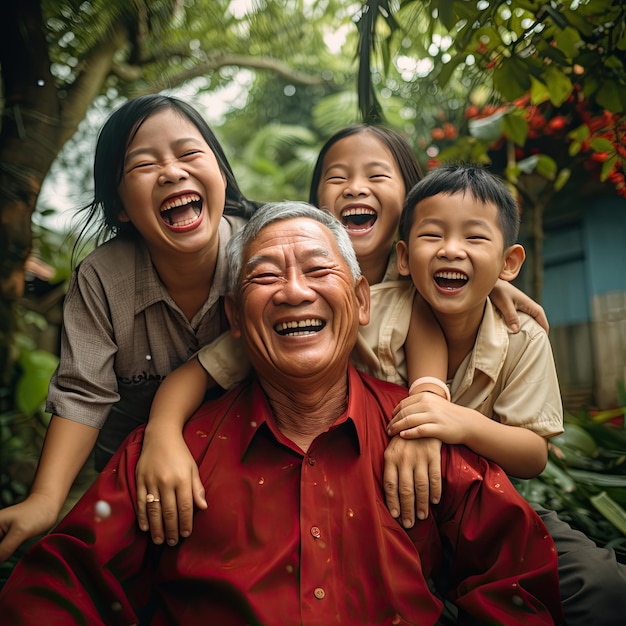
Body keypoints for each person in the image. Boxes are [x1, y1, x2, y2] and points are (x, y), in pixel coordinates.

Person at [0, 202, 564, 625]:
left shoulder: (426, 438)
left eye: (319, 271)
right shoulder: (169, 457)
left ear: (364, 301)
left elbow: (519, 576)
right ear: (236, 318)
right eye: (266, 276)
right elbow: (57, 590)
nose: (294, 292)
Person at [135, 124, 548, 543]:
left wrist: (428, 417)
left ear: (409, 204)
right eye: (337, 177)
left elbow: (427, 338)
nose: (355, 188)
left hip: (460, 498)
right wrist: (162, 435)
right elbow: (197, 373)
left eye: (377, 175)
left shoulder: (418, 295)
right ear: (316, 205)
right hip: (348, 495)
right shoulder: (285, 310)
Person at [0, 94, 261, 564]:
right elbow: (84, 394)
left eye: (188, 154)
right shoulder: (102, 279)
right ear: (120, 207)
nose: (172, 172)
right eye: (143, 164)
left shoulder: (264, 249)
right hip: (131, 473)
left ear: (220, 173)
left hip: (247, 462)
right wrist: (45, 501)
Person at [382, 163, 625, 625]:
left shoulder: (523, 336)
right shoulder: (374, 314)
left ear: (509, 263)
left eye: (474, 238)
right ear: (402, 255)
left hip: (487, 511)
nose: (451, 250)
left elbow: (533, 454)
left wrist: (464, 423)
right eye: (432, 236)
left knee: (601, 586)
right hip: (392, 511)